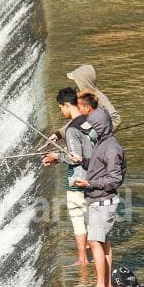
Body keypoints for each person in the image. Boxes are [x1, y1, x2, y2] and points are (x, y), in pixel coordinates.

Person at [71, 106, 125, 287]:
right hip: (99, 200)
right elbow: (96, 166)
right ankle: (108, 283)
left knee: (94, 242)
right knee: (104, 242)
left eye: (92, 128)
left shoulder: (111, 149)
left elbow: (114, 179)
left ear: (100, 127)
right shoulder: (102, 143)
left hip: (103, 202)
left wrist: (88, 183)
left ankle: (101, 285)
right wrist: (81, 160)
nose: (89, 132)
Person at [42, 87, 92, 266]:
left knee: (78, 219)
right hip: (94, 179)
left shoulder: (71, 129)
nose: (61, 111)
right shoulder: (90, 122)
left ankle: (82, 259)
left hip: (77, 181)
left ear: (67, 105)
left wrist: (57, 157)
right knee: (92, 222)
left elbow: (75, 158)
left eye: (60, 108)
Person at [68, 64, 121, 130]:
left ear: (84, 83)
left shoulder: (100, 98)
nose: (75, 87)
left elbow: (116, 120)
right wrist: (57, 134)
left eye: (77, 84)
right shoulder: (81, 99)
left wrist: (98, 134)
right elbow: (75, 121)